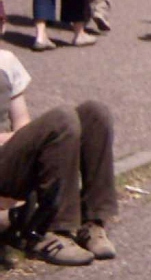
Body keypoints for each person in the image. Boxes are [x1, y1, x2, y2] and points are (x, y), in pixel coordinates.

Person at [0, 50, 118, 265]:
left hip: (8, 155)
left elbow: (21, 124)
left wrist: (32, 139)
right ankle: (51, 231)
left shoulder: (6, 61)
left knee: (94, 113)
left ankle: (91, 221)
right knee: (61, 119)